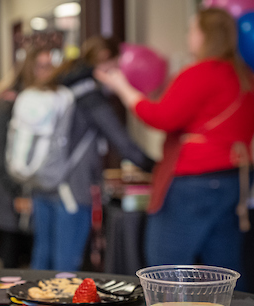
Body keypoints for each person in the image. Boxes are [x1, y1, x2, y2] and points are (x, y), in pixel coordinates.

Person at [95, 8, 254, 275]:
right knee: (225, 270)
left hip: (195, 182)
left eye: (192, 30)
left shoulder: (201, 72)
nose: (188, 36)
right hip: (235, 179)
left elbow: (162, 117)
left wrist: (123, 88)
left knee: (164, 266)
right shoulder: (244, 76)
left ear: (205, 36)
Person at [29, 36, 154, 271]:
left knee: (41, 258)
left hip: (42, 181)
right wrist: (156, 168)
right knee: (66, 264)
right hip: (72, 188)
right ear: (106, 60)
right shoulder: (89, 96)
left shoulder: (61, 83)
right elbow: (123, 143)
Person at [0, 47, 55, 268]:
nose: (48, 71)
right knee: (11, 255)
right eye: (42, 66)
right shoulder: (10, 99)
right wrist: (18, 192)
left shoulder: (38, 97)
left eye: (50, 66)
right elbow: (4, 150)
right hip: (9, 183)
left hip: (22, 184)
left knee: (24, 252)